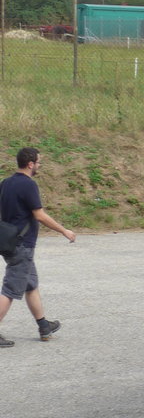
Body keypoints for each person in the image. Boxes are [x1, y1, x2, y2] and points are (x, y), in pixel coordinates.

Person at [0, 147, 76, 347]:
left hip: (8, 242)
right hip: (22, 245)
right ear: (30, 163)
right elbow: (40, 215)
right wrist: (64, 231)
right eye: (39, 162)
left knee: (30, 284)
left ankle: (44, 326)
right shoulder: (28, 185)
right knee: (10, 289)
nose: (40, 166)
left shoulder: (5, 183)